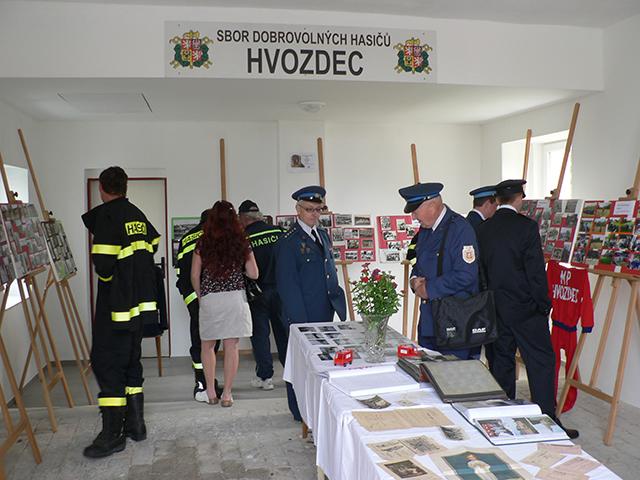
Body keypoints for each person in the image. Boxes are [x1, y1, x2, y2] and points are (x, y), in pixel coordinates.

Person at [476, 179, 579, 439]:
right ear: (519, 198)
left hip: (496, 308)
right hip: (526, 309)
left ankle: (503, 420)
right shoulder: (527, 227)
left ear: (498, 200)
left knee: (501, 363)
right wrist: (544, 305)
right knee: (541, 362)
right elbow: (535, 272)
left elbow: (482, 271)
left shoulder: (484, 228)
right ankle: (547, 420)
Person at [81, 166, 159, 458]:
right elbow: (153, 243)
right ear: (125, 187)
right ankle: (136, 425)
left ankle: (112, 435)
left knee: (107, 363)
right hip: (139, 308)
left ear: (102, 188)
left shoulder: (108, 216)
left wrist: (112, 279)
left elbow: (103, 264)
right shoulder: (137, 214)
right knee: (130, 362)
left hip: (116, 308)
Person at [276, 185, 346, 420]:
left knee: (321, 362)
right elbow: (288, 286)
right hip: (302, 314)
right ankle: (299, 411)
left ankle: (316, 408)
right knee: (300, 364)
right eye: (309, 209)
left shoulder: (322, 235)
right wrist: (300, 323)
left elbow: (328, 271)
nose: (314, 214)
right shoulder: (288, 242)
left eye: (318, 209)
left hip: (324, 310)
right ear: (298, 210)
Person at [399, 182, 479, 359]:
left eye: (415, 210)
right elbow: (418, 263)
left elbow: (466, 274)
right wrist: (413, 281)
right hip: (429, 322)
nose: (413, 216)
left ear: (432, 205)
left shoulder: (460, 229)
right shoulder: (425, 230)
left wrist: (429, 289)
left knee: (454, 374)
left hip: (456, 323)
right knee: (428, 372)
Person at [191, 201, 259, 407]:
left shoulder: (203, 242)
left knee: (207, 346)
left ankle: (211, 393)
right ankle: (227, 394)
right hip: (234, 299)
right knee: (231, 346)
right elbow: (254, 273)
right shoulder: (241, 242)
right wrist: (239, 270)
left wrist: (201, 296)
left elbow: (194, 275)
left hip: (211, 299)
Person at [238, 199, 288, 391]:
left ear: (244, 218)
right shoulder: (278, 232)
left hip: (257, 293)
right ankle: (290, 374)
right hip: (281, 291)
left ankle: (265, 377)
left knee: (260, 335)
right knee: (283, 333)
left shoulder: (244, 239)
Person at [175, 209, 222, 402]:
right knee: (211, 340)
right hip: (209, 295)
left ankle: (204, 381)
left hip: (191, 295)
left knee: (199, 337)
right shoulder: (213, 236)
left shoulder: (186, 238)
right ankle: (203, 384)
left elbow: (179, 271)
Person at [466, 184, 497, 360]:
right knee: (475, 341)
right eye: (495, 205)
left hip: (469, 292)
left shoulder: (466, 222)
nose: (496, 210)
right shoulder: (481, 226)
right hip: (478, 292)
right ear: (487, 204)